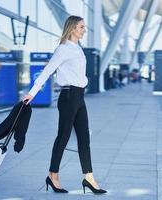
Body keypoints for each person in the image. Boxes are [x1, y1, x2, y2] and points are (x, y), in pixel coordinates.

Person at [22, 15, 107, 194]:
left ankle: (89, 177)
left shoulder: (78, 48)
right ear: (73, 29)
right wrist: (32, 93)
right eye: (82, 27)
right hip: (68, 97)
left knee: (84, 138)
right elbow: (46, 72)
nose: (84, 30)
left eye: (84, 27)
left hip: (79, 97)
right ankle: (53, 175)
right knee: (63, 137)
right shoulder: (63, 49)